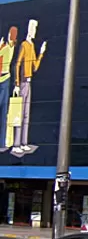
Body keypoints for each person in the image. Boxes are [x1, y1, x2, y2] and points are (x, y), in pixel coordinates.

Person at [12, 19, 45, 157]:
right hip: (23, 83)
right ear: (28, 29)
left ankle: (24, 142)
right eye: (32, 28)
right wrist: (17, 84)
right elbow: (17, 64)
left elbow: (35, 67)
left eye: (35, 28)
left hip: (29, 82)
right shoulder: (24, 45)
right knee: (19, 115)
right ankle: (16, 145)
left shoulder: (31, 46)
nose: (34, 31)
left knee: (26, 115)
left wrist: (41, 53)